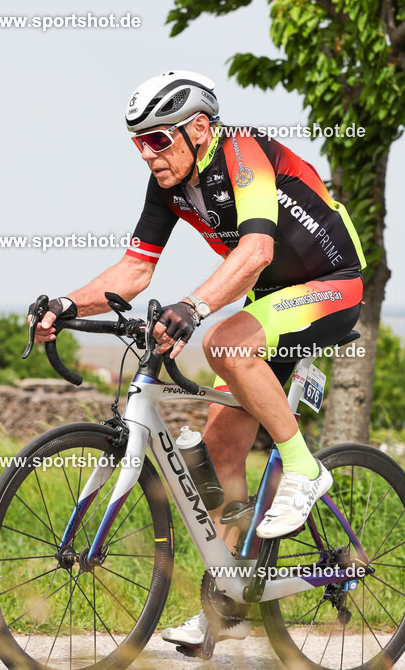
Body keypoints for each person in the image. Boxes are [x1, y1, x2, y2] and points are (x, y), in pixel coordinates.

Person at [31, 70, 366, 649]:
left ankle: (305, 470)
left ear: (199, 128)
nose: (148, 154)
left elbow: (257, 249)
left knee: (224, 342)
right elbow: (135, 271)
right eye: (138, 142)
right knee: (218, 451)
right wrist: (66, 301)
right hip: (274, 302)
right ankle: (228, 598)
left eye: (158, 140)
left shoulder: (244, 153)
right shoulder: (167, 186)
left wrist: (195, 305)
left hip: (333, 284)